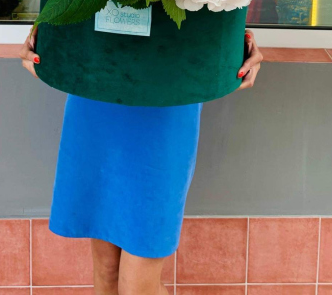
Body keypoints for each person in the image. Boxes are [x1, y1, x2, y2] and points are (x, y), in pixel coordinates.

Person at [20, 27, 263, 295]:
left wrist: (234, 41)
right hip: (97, 79)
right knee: (106, 269)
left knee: (137, 285)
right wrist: (43, 32)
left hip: (170, 84)